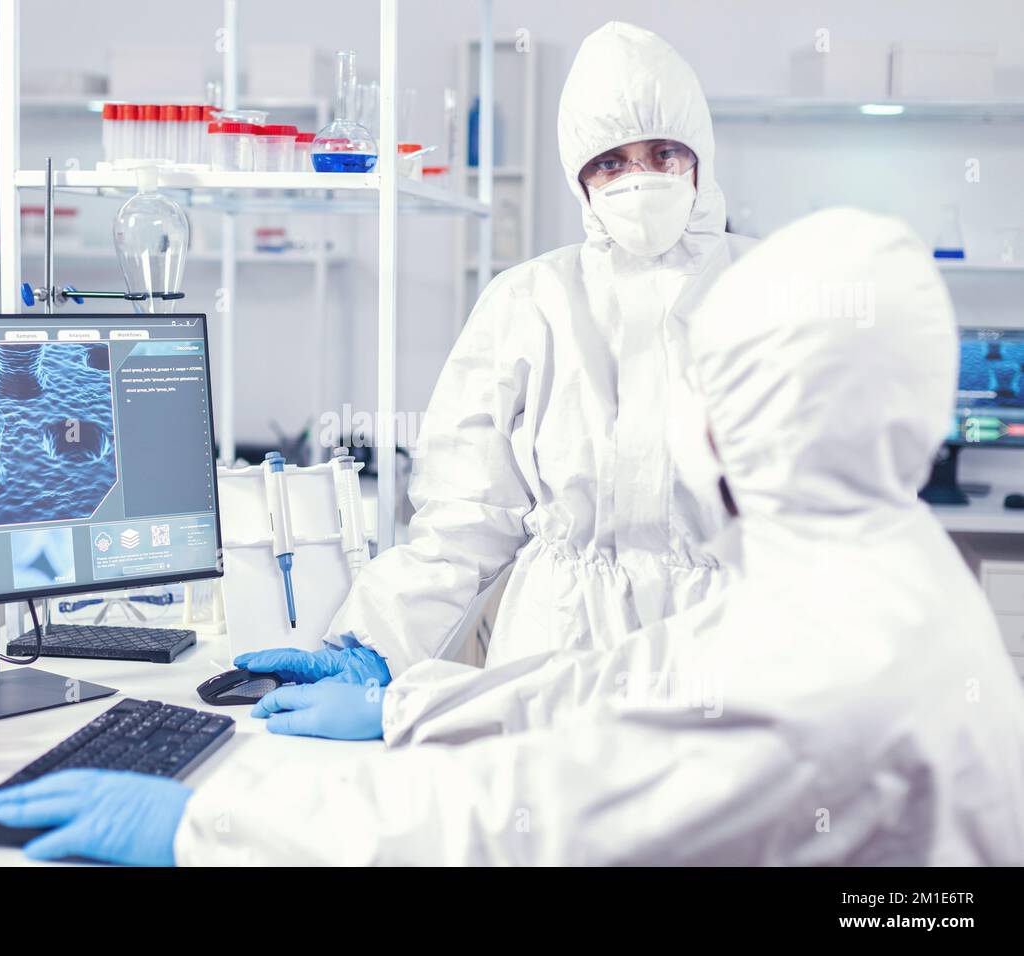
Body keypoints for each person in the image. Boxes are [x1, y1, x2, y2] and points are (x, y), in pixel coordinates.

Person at [0, 208, 1024, 865]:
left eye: (708, 382)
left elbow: (521, 822)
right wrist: (408, 700)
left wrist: (209, 825)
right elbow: (631, 678)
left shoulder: (821, 659)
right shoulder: (873, 564)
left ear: (758, 413)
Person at [231, 21, 757, 711]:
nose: (638, 179)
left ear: (700, 157)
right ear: (581, 177)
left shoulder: (763, 289)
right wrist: (367, 650)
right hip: (553, 657)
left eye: (662, 153)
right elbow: (462, 522)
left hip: (726, 648)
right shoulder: (530, 300)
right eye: (611, 162)